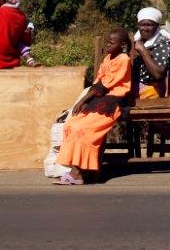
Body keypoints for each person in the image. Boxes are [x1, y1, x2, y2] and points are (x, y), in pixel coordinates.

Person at [54, 27, 133, 185]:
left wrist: (82, 101)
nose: (108, 46)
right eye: (107, 43)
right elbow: (97, 82)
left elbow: (105, 84)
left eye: (111, 43)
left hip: (113, 101)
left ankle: (77, 173)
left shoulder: (124, 59)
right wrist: (86, 99)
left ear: (123, 45)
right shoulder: (108, 58)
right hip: (100, 99)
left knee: (84, 129)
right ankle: (82, 169)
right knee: (72, 124)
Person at [131, 7, 170, 99]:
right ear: (138, 26)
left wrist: (143, 50)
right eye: (142, 25)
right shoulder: (135, 42)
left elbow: (158, 75)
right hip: (133, 87)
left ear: (157, 26)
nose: (145, 28)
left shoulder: (163, 43)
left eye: (150, 25)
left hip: (152, 90)